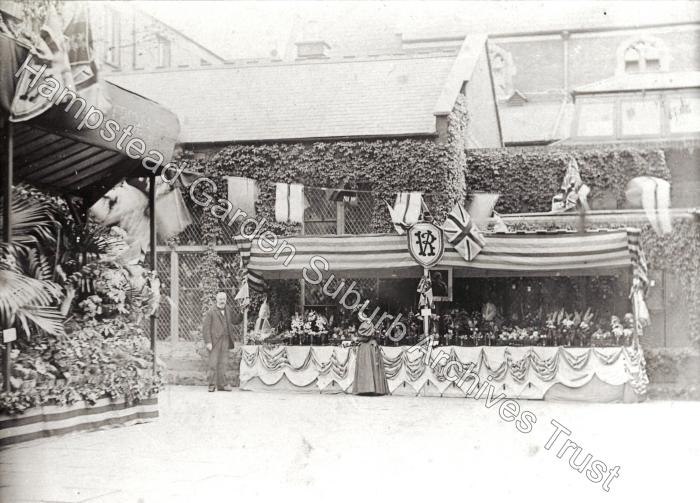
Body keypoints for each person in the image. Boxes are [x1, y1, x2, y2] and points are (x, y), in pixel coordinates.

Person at [202, 291, 242, 392]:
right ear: (217, 300)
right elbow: (206, 328)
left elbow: (235, 320)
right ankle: (211, 385)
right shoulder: (211, 312)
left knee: (223, 364)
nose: (222, 301)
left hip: (225, 341)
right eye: (220, 299)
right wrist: (208, 342)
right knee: (213, 364)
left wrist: (242, 312)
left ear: (226, 300)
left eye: (224, 299)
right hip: (214, 342)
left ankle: (222, 385)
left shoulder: (228, 309)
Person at [352, 320, 389, 396]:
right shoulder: (371, 323)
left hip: (367, 347)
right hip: (371, 346)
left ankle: (367, 389)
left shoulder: (366, 324)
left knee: (367, 367)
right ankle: (373, 388)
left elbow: (365, 338)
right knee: (371, 367)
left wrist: (357, 339)